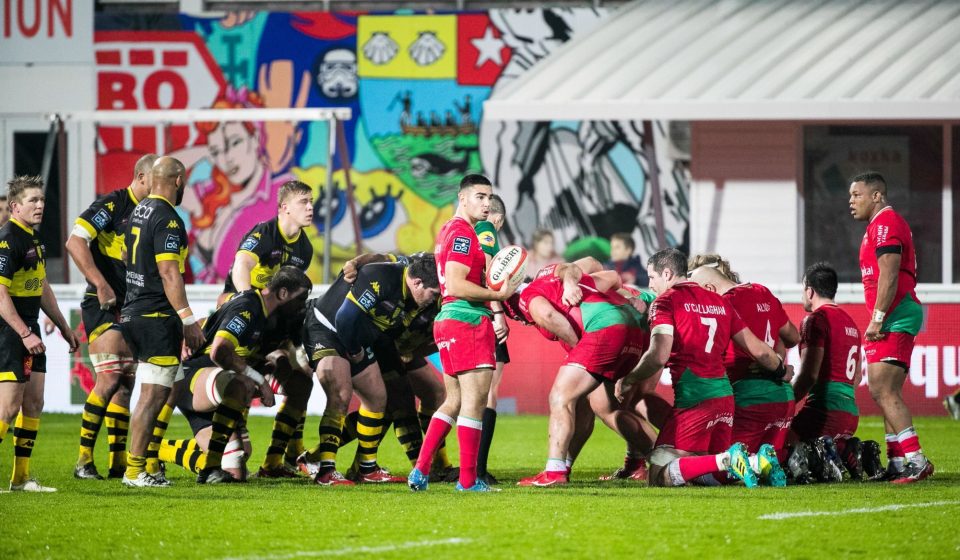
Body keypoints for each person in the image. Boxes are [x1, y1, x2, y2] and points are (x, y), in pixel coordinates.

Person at [619, 248, 789, 488]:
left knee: (657, 474)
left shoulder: (665, 302)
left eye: (652, 277)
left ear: (667, 273)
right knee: (706, 471)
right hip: (725, 400)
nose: (650, 284)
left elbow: (658, 355)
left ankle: (731, 459)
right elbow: (759, 349)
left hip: (695, 400)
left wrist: (628, 379)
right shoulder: (720, 302)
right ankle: (754, 463)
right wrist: (782, 370)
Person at [407, 174, 516, 493]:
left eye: (489, 197)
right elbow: (454, 284)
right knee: (474, 402)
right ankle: (468, 481)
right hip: (467, 319)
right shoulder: (464, 234)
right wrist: (498, 296)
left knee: (453, 400)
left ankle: (420, 471)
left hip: (448, 319)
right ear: (462, 198)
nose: (486, 203)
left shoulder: (449, 231)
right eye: (480, 197)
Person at [505, 260, 654, 487]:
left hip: (607, 328)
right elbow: (605, 273)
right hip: (635, 328)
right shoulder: (562, 279)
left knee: (560, 397)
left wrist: (580, 350)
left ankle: (554, 474)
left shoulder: (528, 296)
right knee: (601, 407)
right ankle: (667, 460)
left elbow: (549, 316)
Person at [299, 254, 440, 485]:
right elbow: (344, 317)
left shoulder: (412, 282)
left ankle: (367, 469)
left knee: (378, 398)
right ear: (416, 283)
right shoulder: (381, 278)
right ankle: (325, 470)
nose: (434, 299)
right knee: (340, 395)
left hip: (358, 335)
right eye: (433, 293)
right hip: (328, 328)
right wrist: (355, 351)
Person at [169, 266, 312, 483]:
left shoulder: (280, 318)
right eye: (301, 298)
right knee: (243, 382)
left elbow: (276, 350)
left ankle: (272, 462)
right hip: (195, 378)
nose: (302, 306)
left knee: (237, 468)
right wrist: (259, 380)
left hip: (226, 384)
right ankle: (210, 466)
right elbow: (220, 352)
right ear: (283, 294)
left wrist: (280, 361)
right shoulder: (248, 306)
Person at [67, 153, 157, 480]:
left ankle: (118, 462)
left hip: (132, 305)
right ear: (142, 177)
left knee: (126, 382)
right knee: (109, 377)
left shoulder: (153, 213)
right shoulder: (114, 204)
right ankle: (83, 460)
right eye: (157, 180)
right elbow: (75, 241)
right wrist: (101, 283)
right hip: (103, 302)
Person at [219, 179, 315, 478]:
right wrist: (249, 306)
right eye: (304, 202)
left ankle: (275, 461)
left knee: (301, 379)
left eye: (312, 202)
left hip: (276, 324)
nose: (311, 208)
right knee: (242, 382)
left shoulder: (304, 248)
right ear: (285, 208)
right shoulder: (264, 233)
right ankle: (227, 444)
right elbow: (241, 265)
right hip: (247, 315)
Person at [118, 156, 204, 488]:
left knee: (168, 390)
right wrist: (187, 319)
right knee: (152, 395)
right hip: (154, 316)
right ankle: (135, 470)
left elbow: (127, 257)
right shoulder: (168, 218)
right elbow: (170, 272)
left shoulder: (137, 212)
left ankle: (149, 464)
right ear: (179, 180)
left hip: (133, 311)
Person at [848, 172, 932, 483]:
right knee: (886, 390)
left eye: (857, 194)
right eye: (850, 196)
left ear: (877, 196)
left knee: (881, 389)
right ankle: (898, 462)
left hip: (895, 314)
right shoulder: (878, 226)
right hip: (894, 313)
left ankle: (916, 459)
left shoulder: (885, 223)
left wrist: (878, 317)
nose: (851, 201)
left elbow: (889, 275)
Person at [0, 175, 80, 492]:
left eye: (42, 200)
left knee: (34, 403)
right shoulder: (9, 239)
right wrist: (23, 333)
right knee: (7, 407)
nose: (40, 205)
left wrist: (63, 326)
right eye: (33, 200)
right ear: (15, 206)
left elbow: (42, 286)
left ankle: (20, 478)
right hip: (11, 332)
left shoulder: (34, 239)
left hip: (30, 331)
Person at [687, 254, 799, 464]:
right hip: (782, 396)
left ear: (709, 288)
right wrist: (777, 362)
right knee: (767, 464)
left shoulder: (723, 304)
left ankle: (801, 457)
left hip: (747, 397)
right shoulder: (762, 291)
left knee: (721, 465)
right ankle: (805, 457)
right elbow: (792, 336)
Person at [791, 262, 879, 480]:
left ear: (810, 291)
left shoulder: (815, 320)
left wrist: (786, 403)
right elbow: (857, 376)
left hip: (823, 412)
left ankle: (828, 453)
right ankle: (848, 448)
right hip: (850, 414)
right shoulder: (850, 322)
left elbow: (809, 375)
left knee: (780, 445)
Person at [475, 193, 509, 485]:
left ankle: (435, 464)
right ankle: (477, 469)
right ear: (499, 219)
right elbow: (490, 270)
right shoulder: (486, 229)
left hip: (455, 314)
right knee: (488, 394)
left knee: (459, 396)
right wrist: (498, 310)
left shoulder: (457, 230)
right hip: (482, 314)